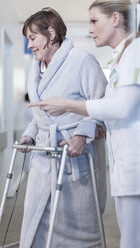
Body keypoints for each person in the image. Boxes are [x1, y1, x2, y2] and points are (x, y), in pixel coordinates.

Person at [29, 1, 140, 247]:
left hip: (132, 164)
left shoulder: (132, 52)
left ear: (114, 19)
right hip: (124, 164)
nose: (90, 29)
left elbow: (121, 107)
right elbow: (109, 107)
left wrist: (70, 108)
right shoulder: (119, 58)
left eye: (93, 20)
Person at [19, 7, 108, 248]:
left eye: (33, 38)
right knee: (37, 225)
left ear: (51, 32)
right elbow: (39, 116)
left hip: (74, 160)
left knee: (77, 231)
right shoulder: (35, 70)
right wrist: (29, 136)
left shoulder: (82, 61)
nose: (30, 46)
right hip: (43, 162)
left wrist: (81, 135)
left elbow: (102, 105)